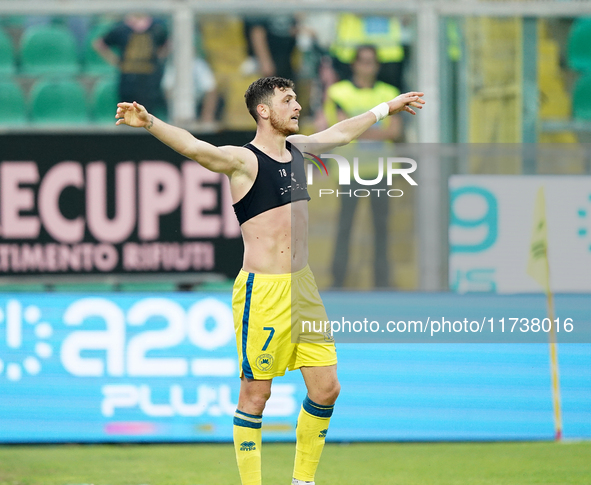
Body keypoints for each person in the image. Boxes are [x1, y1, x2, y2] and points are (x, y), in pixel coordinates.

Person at [115, 77, 424, 485]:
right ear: (264, 111)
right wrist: (150, 121)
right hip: (263, 293)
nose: (297, 106)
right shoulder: (244, 161)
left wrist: (388, 107)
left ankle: (302, 481)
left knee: (327, 388)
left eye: (296, 98)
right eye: (287, 100)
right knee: (256, 396)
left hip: (304, 288)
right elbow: (195, 147)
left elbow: (342, 131)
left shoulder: (299, 151)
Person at [324, 45, 402, 288]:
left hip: (382, 170)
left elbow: (395, 131)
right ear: (354, 64)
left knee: (382, 227)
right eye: (363, 61)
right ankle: (338, 280)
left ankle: (382, 281)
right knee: (345, 225)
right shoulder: (340, 91)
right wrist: (378, 131)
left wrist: (359, 130)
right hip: (350, 170)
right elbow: (342, 129)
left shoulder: (390, 91)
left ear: (377, 65)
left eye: (372, 61)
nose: (367, 66)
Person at [93, 13, 169, 118]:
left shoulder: (157, 27)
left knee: (149, 117)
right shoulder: (121, 28)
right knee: (127, 116)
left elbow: (167, 43)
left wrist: (158, 58)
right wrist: (115, 61)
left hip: (150, 82)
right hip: (128, 82)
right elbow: (100, 44)